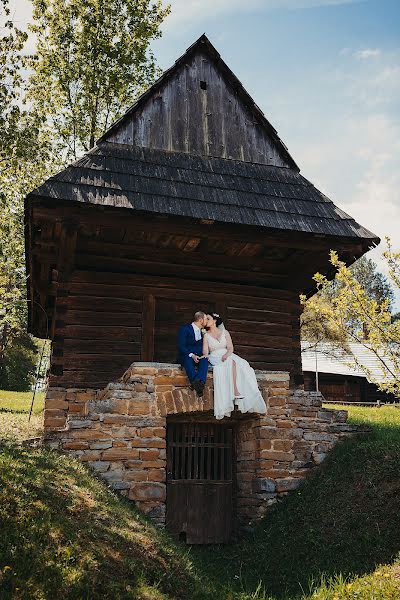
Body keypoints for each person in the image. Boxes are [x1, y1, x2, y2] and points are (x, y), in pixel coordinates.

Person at [202, 312, 266, 419]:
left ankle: (238, 391)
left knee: (243, 364)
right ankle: (236, 391)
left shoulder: (225, 332)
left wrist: (227, 354)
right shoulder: (206, 335)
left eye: (208, 319)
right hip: (215, 356)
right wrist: (205, 356)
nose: (206, 321)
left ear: (214, 321)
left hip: (226, 354)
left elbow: (230, 348)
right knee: (232, 363)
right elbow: (205, 351)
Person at [177, 311, 209, 396]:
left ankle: (197, 383)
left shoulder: (203, 332)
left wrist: (202, 355)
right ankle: (199, 386)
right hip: (186, 355)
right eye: (206, 319)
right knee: (188, 360)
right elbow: (181, 346)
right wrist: (192, 355)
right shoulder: (185, 329)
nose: (207, 321)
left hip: (198, 356)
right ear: (201, 320)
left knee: (205, 360)